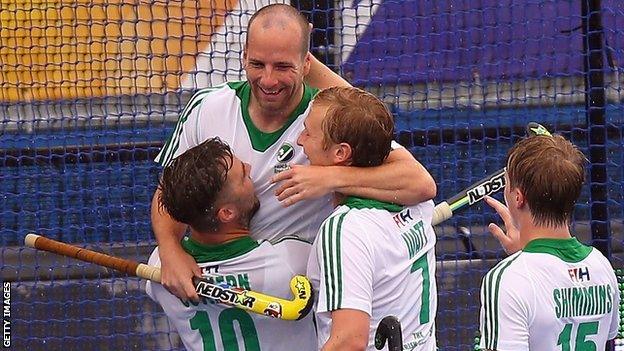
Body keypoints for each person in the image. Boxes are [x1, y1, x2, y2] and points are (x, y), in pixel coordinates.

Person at [152, 3, 437, 302]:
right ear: (244, 55)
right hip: (224, 292)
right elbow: (169, 192)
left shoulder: (330, 119)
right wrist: (170, 250)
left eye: (284, 67)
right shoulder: (207, 107)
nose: (269, 80)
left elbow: (419, 183)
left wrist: (329, 179)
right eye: (258, 64)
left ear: (306, 63)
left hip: (304, 300)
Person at [146, 137, 317, 351]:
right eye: (244, 176)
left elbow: (167, 196)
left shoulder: (159, 271)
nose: (250, 166)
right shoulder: (292, 261)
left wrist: (168, 248)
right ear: (227, 213)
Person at [300, 86, 438, 350]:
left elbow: (349, 342)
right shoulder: (418, 202)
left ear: (340, 153)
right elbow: (368, 123)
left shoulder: (345, 229)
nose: (299, 140)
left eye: (308, 133)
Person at [478, 135, 620, 350]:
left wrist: (521, 262)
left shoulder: (506, 279)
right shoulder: (601, 266)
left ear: (518, 197)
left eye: (506, 184)